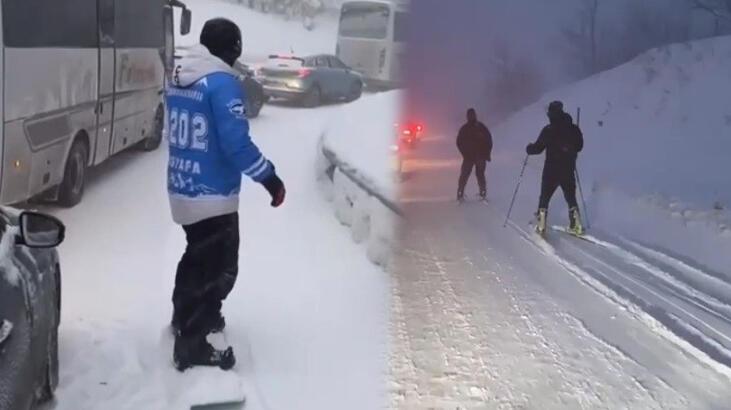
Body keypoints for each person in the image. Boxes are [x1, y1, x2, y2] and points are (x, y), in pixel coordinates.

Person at [166, 18, 286, 371]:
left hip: (182, 186)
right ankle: (191, 343)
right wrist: (270, 179)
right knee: (219, 269)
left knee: (196, 258)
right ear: (232, 48)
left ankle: (186, 315)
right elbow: (236, 145)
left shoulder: (181, 78)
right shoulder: (223, 85)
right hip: (212, 193)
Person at [526, 100, 584, 236]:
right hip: (568, 168)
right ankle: (576, 224)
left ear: (552, 113)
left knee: (545, 196)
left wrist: (529, 148)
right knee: (570, 196)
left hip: (551, 169)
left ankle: (541, 224)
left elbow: (538, 148)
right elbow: (580, 146)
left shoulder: (548, 130)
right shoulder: (573, 128)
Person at [456, 108, 493, 201]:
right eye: (470, 115)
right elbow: (459, 142)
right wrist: (487, 154)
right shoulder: (479, 127)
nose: (471, 116)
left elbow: (489, 141)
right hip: (473, 157)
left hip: (475, 156)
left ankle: (461, 193)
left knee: (467, 175)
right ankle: (481, 192)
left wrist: (486, 153)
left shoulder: (469, 128)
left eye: (472, 115)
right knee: (474, 175)